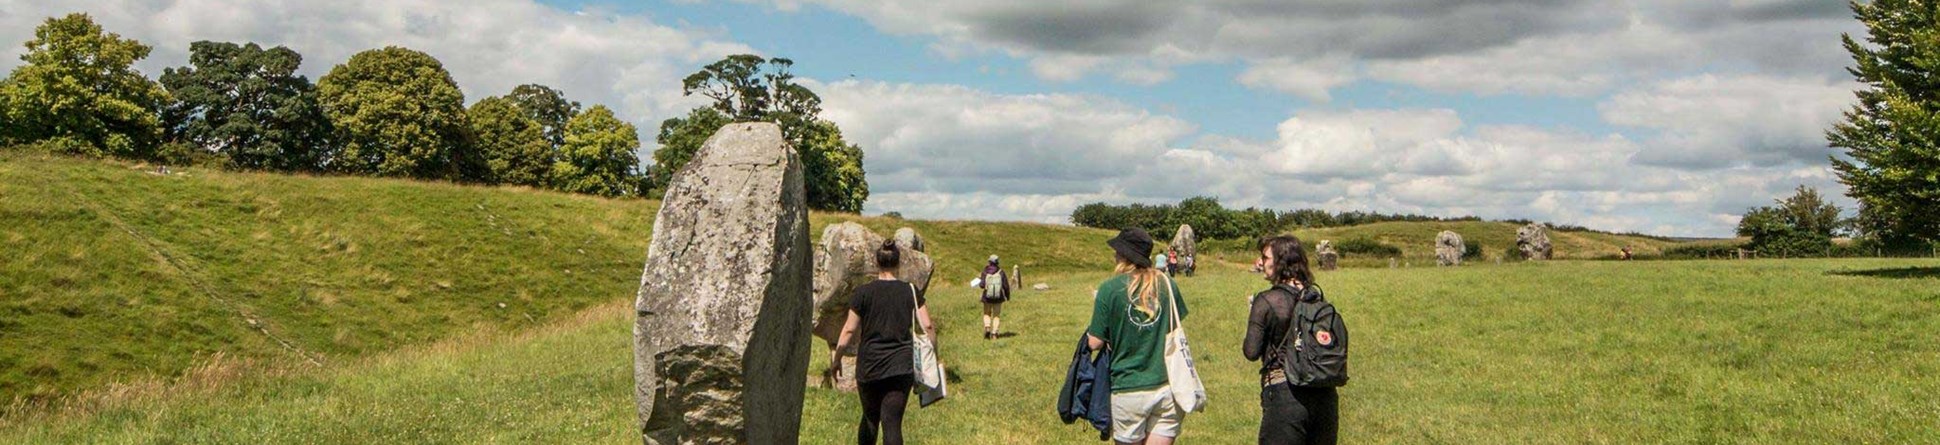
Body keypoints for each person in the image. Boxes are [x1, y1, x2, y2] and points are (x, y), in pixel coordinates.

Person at [1087, 228, 1189, 445]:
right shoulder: (1168, 284)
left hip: (1128, 388)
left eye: (1117, 251)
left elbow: (1094, 343)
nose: (1114, 255)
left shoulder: (1109, 289)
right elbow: (1173, 324)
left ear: (1124, 255)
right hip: (1167, 387)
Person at [834, 240, 938, 445]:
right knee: (892, 423)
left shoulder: (863, 293)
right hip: (900, 366)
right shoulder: (910, 291)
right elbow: (928, 327)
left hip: (869, 365)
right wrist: (934, 353)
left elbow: (848, 329)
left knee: (870, 418)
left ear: (876, 262)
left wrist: (837, 358)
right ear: (898, 263)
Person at [1244, 235, 1337, 444]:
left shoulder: (1267, 300)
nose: (1261, 262)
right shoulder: (1316, 298)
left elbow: (1251, 351)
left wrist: (1256, 317)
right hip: (1325, 396)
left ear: (1281, 262)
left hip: (1285, 395)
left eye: (1266, 257)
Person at [976, 255, 1011, 340]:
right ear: (997, 262)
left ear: (989, 262)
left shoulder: (985, 271)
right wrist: (1007, 296)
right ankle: (994, 333)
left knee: (987, 314)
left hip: (987, 298)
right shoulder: (1001, 272)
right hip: (998, 298)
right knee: (996, 316)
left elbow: (982, 285)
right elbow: (1006, 286)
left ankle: (987, 327)